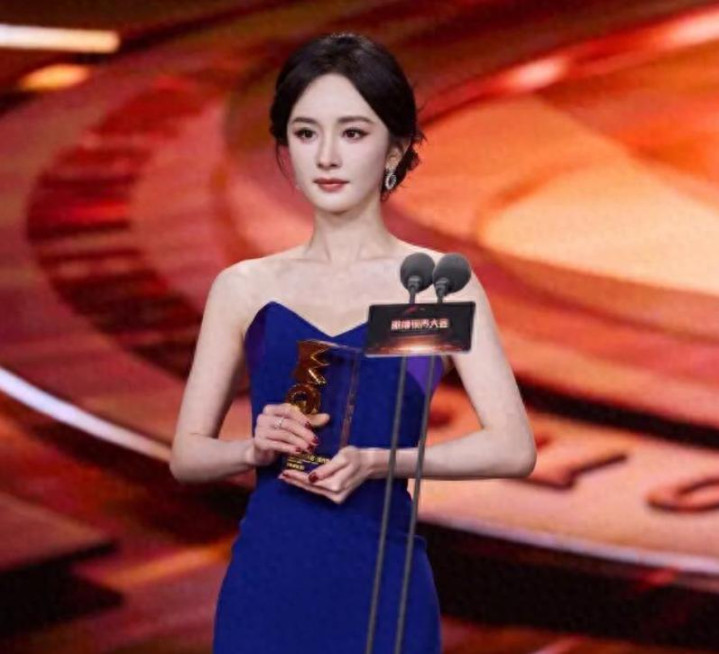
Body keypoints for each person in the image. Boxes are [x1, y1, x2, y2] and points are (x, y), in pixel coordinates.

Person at [169, 32, 536, 654]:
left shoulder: (434, 285)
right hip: (267, 588)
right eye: (306, 133)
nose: (327, 156)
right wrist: (252, 448)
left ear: (395, 148)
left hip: (381, 584)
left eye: (354, 133)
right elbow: (187, 455)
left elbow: (512, 447)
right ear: (285, 148)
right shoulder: (246, 286)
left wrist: (379, 461)